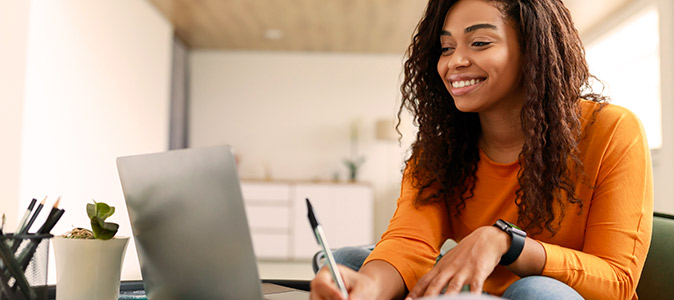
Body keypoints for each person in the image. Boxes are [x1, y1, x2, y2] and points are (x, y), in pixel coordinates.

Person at [310, 0, 653, 299]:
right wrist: (368, 289)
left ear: (533, 49)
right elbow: (409, 241)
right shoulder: (440, 149)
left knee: (534, 290)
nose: (455, 61)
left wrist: (507, 244)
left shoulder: (612, 131)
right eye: (446, 48)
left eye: (479, 42)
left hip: (553, 294)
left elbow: (617, 281)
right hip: (475, 293)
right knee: (351, 263)